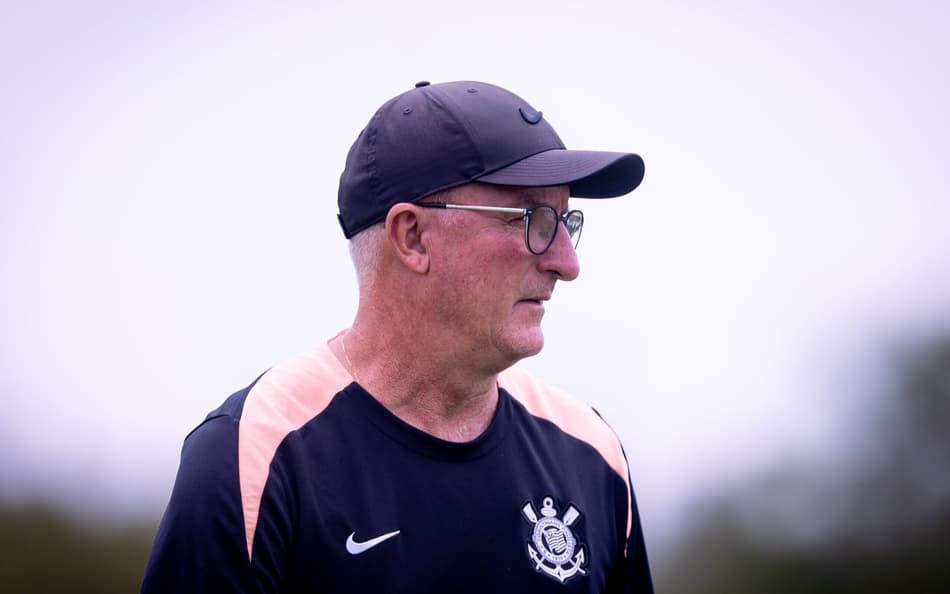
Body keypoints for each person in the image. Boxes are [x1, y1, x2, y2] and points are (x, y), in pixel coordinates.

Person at [141, 80, 653, 593]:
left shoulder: (590, 453)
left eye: (567, 222)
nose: (567, 263)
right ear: (412, 237)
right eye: (533, 218)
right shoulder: (254, 456)